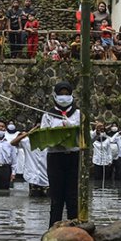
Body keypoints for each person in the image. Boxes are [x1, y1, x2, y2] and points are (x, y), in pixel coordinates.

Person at [41, 81, 81, 226]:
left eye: (66, 94)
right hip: (55, 157)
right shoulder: (48, 115)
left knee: (72, 197)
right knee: (56, 197)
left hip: (73, 157)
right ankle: (53, 228)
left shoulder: (78, 113)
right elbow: (43, 134)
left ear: (71, 95)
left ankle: (74, 228)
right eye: (61, 94)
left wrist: (71, 127)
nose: (64, 97)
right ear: (55, 95)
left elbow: (83, 135)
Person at [11, 127, 49, 197]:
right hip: (33, 178)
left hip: (46, 178)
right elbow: (13, 142)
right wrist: (27, 133)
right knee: (33, 202)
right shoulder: (27, 142)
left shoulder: (49, 143)